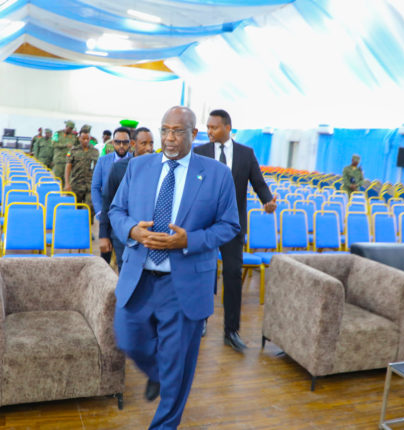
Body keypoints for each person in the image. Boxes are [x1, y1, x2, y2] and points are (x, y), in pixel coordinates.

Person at [110, 106, 239, 430]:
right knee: (128, 338)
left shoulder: (216, 174)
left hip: (184, 285)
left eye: (178, 131)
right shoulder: (137, 167)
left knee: (179, 366)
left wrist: (188, 241)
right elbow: (115, 210)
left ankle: (164, 424)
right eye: (165, 130)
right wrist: (131, 230)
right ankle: (155, 373)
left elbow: (229, 226)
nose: (169, 138)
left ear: (194, 135)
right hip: (139, 277)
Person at [194, 109, 276, 351]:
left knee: (232, 275)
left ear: (228, 127)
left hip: (232, 225)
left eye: (214, 127)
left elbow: (259, 182)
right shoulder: (200, 152)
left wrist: (267, 201)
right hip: (205, 225)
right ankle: (201, 320)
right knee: (205, 273)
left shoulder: (245, 153)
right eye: (207, 127)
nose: (209, 131)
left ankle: (231, 330)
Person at [100, 127, 154, 271]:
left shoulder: (159, 167)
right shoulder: (118, 168)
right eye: (144, 143)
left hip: (149, 234)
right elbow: (107, 202)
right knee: (127, 274)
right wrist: (103, 235)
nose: (149, 148)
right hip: (122, 234)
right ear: (133, 144)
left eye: (152, 143)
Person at [92, 127, 133, 263]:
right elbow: (96, 187)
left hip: (125, 217)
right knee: (105, 257)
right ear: (113, 143)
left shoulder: (134, 162)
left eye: (125, 142)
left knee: (124, 259)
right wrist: (99, 211)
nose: (121, 146)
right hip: (106, 213)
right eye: (118, 142)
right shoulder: (103, 161)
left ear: (130, 143)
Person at [65, 125, 99, 216]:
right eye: (83, 138)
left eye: (87, 139)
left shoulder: (95, 151)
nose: (86, 141)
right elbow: (68, 166)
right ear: (79, 138)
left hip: (90, 185)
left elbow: (97, 169)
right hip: (76, 184)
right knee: (75, 209)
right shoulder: (73, 151)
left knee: (89, 208)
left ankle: (87, 228)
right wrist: (67, 183)